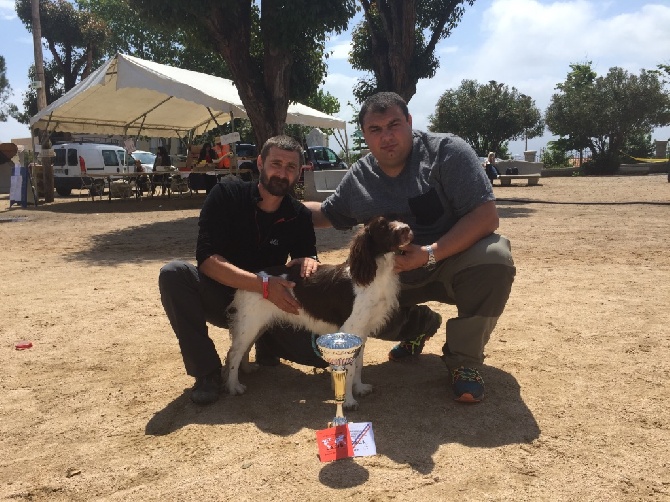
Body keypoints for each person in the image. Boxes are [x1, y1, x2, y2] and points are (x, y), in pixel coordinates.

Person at [304, 92, 516, 403]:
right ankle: (420, 326)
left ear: (410, 123)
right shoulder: (360, 175)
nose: (386, 137)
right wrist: (273, 203)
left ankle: (464, 362)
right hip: (393, 279)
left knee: (495, 258)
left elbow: (486, 216)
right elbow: (325, 214)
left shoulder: (447, 152)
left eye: (394, 125)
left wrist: (430, 253)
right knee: (355, 305)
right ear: (364, 135)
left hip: (447, 262)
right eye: (375, 130)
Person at [158, 135, 324, 405]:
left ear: (299, 172)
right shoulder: (225, 194)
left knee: (321, 357)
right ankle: (207, 372)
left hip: (267, 306)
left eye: (291, 167)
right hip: (222, 297)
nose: (282, 173)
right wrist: (263, 286)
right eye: (276, 163)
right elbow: (207, 259)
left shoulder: (299, 215)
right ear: (260, 162)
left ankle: (266, 343)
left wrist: (310, 259)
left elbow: (305, 257)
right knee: (174, 274)